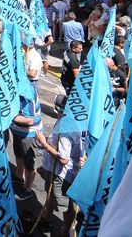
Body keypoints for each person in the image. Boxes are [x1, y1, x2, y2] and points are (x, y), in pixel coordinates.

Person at [35, 96, 85, 236]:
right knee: (51, 196)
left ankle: (65, 232)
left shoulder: (66, 128)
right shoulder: (66, 121)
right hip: (54, 170)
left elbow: (63, 159)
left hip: (61, 173)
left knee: (65, 205)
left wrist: (44, 143)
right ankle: (46, 219)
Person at [10, 91, 44, 200]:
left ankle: (27, 189)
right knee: (19, 155)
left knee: (30, 165)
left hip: (29, 133)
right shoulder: (15, 87)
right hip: (18, 130)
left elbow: (29, 120)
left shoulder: (25, 92)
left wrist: (7, 116)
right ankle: (19, 176)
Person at [107, 36, 129, 104]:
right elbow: (121, 67)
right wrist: (126, 76)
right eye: (125, 43)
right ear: (121, 43)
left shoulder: (111, 49)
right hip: (117, 81)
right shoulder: (119, 54)